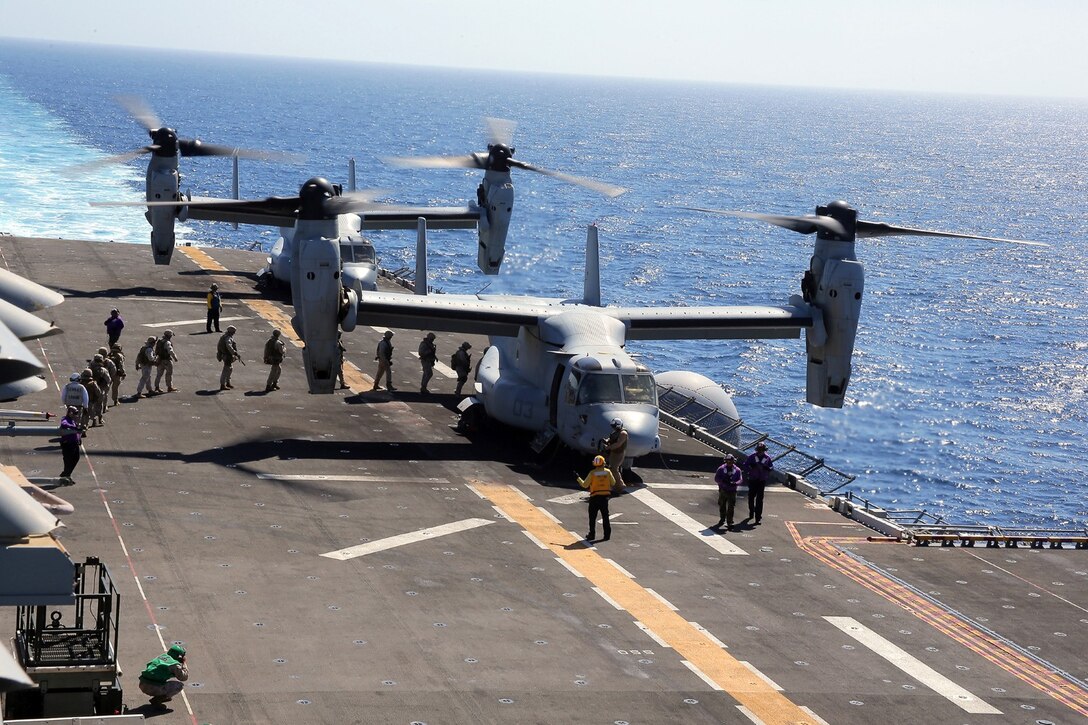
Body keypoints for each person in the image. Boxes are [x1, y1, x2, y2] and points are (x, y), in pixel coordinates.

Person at [576, 455, 616, 542]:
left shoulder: (592, 473)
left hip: (594, 497)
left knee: (592, 517)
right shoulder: (608, 472)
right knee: (605, 516)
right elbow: (613, 482)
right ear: (604, 463)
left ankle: (592, 534)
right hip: (605, 498)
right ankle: (607, 535)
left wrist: (578, 478)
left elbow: (585, 485)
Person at [138, 644, 189, 709]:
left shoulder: (162, 656)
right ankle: (157, 700)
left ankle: (160, 695)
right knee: (179, 685)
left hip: (142, 683)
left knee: (164, 681)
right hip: (152, 687)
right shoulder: (174, 665)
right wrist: (184, 663)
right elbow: (184, 677)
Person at [743, 441, 774, 524]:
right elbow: (745, 465)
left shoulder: (767, 458)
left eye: (762, 450)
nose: (760, 452)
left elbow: (771, 466)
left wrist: (767, 469)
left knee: (759, 499)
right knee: (751, 497)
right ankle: (751, 511)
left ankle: (758, 517)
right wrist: (751, 468)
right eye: (759, 450)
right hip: (753, 479)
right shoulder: (752, 457)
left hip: (761, 480)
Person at [714, 455, 743, 530]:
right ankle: (722, 518)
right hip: (723, 490)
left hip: (732, 491)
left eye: (730, 461)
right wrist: (722, 482)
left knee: (731, 507)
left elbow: (740, 479)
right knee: (722, 504)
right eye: (727, 461)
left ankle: (729, 521)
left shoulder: (737, 470)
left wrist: (735, 483)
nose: (729, 462)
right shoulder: (721, 469)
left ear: (733, 461)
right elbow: (716, 478)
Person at [602, 417, 629, 490]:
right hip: (613, 452)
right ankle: (614, 484)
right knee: (611, 468)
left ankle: (620, 484)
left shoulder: (623, 433)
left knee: (614, 469)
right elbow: (611, 439)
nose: (613, 428)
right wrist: (606, 441)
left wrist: (608, 447)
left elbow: (618, 444)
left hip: (618, 453)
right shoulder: (615, 432)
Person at [58, 406, 82, 485]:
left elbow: (76, 431)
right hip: (68, 444)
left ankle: (66, 474)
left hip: (74, 443)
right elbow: (64, 424)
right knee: (68, 461)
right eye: (75, 413)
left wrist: (79, 439)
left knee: (76, 458)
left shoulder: (73, 420)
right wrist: (74, 428)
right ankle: (66, 477)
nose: (76, 415)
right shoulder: (65, 420)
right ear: (70, 413)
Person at [88, 355, 111, 424]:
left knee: (90, 405)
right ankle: (100, 418)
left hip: (91, 390)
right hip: (100, 389)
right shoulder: (103, 370)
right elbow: (108, 380)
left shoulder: (89, 369)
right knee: (99, 404)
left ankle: (93, 419)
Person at [217, 326, 240, 390]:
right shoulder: (228, 338)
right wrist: (234, 352)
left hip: (225, 355)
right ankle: (223, 384)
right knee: (226, 369)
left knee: (230, 369)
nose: (234, 333)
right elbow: (229, 346)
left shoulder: (224, 336)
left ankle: (227, 382)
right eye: (233, 332)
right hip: (227, 356)